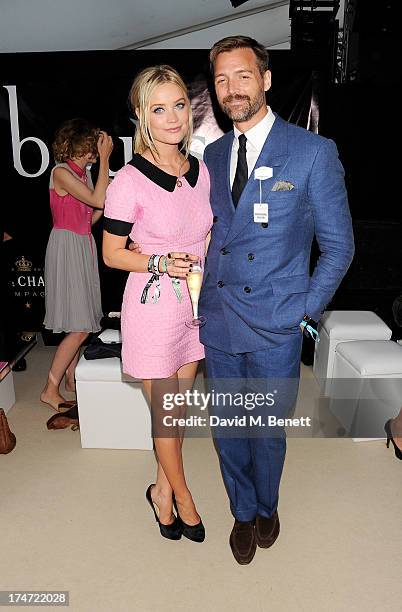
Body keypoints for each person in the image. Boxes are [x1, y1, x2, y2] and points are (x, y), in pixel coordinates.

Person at [198, 36, 355, 564]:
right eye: (221, 79)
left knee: (265, 431)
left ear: (265, 79)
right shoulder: (215, 153)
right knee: (227, 430)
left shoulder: (312, 152)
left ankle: (268, 505)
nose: (231, 89)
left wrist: (303, 312)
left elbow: (339, 248)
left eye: (242, 75)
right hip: (220, 317)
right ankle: (243, 511)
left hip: (277, 322)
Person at [102, 65, 212, 542]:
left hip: (194, 309)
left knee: (176, 413)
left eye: (180, 106)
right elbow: (111, 253)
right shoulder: (129, 180)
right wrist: (160, 262)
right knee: (167, 414)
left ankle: (160, 491)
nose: (172, 118)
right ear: (142, 115)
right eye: (158, 108)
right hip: (152, 307)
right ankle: (184, 496)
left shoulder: (199, 170)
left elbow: (207, 231)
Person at [41, 119, 113, 414]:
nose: (97, 150)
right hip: (67, 246)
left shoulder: (82, 173)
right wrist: (107, 160)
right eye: (94, 145)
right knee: (81, 326)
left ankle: (71, 378)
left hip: (81, 242)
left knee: (78, 318)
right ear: (83, 145)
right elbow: (98, 198)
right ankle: (49, 388)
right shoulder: (61, 172)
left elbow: (91, 214)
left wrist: (99, 201)